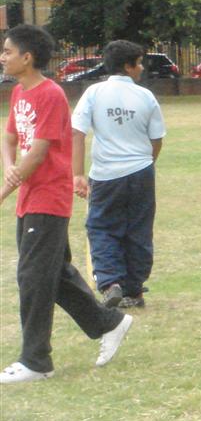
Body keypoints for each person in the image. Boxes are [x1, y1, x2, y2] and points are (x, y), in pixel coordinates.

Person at [0, 24, 133, 384]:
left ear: (27, 57)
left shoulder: (51, 95)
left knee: (33, 277)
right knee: (53, 274)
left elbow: (38, 153)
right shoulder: (19, 93)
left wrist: (4, 189)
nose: (3, 57)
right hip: (29, 197)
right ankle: (110, 323)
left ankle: (36, 362)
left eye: (8, 51)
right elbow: (9, 138)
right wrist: (9, 169)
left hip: (49, 198)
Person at [71, 40, 166, 310]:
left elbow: (77, 132)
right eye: (139, 62)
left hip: (105, 175)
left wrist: (78, 174)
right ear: (128, 66)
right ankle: (134, 290)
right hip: (141, 172)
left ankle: (110, 282)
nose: (142, 67)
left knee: (101, 227)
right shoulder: (145, 96)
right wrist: (146, 163)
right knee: (138, 230)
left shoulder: (94, 92)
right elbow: (156, 139)